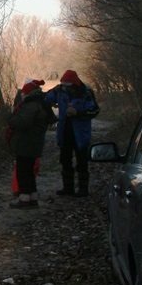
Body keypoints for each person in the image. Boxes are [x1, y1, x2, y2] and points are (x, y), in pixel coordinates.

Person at [43, 69, 100, 197]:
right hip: (64, 132)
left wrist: (78, 113)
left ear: (74, 83)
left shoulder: (86, 93)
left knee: (82, 162)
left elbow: (94, 111)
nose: (65, 87)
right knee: (65, 161)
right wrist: (51, 115)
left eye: (67, 84)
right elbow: (45, 99)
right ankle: (67, 188)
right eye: (63, 84)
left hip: (81, 133)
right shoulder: (59, 90)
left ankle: (83, 189)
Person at [6, 79, 55, 208]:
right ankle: (32, 197)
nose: (22, 94)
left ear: (27, 92)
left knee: (23, 171)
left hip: (26, 142)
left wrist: (10, 119)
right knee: (29, 170)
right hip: (34, 142)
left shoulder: (30, 105)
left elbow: (23, 122)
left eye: (23, 92)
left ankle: (24, 199)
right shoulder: (41, 103)